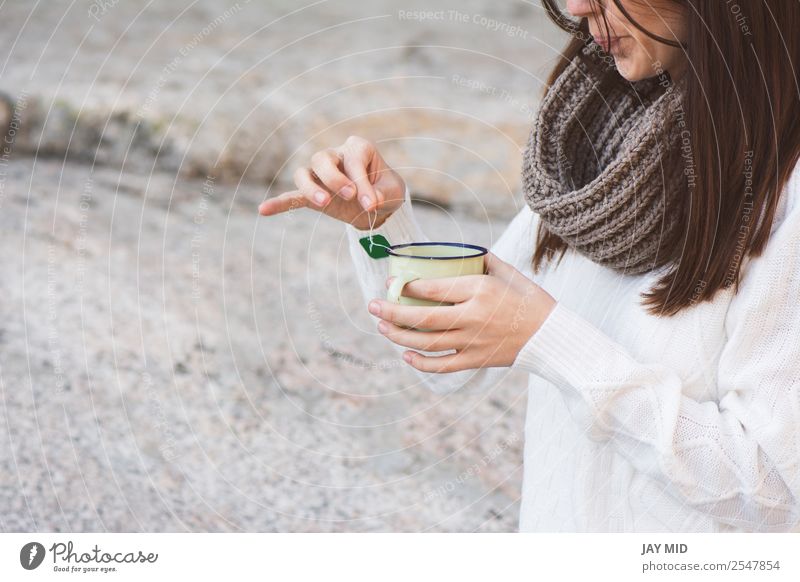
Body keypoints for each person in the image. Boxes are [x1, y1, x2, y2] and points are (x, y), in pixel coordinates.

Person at [259, 0, 800, 532]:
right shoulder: (595, 143)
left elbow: (774, 486)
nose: (576, 6)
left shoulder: (787, 196)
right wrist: (379, 225)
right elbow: (450, 355)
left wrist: (552, 343)